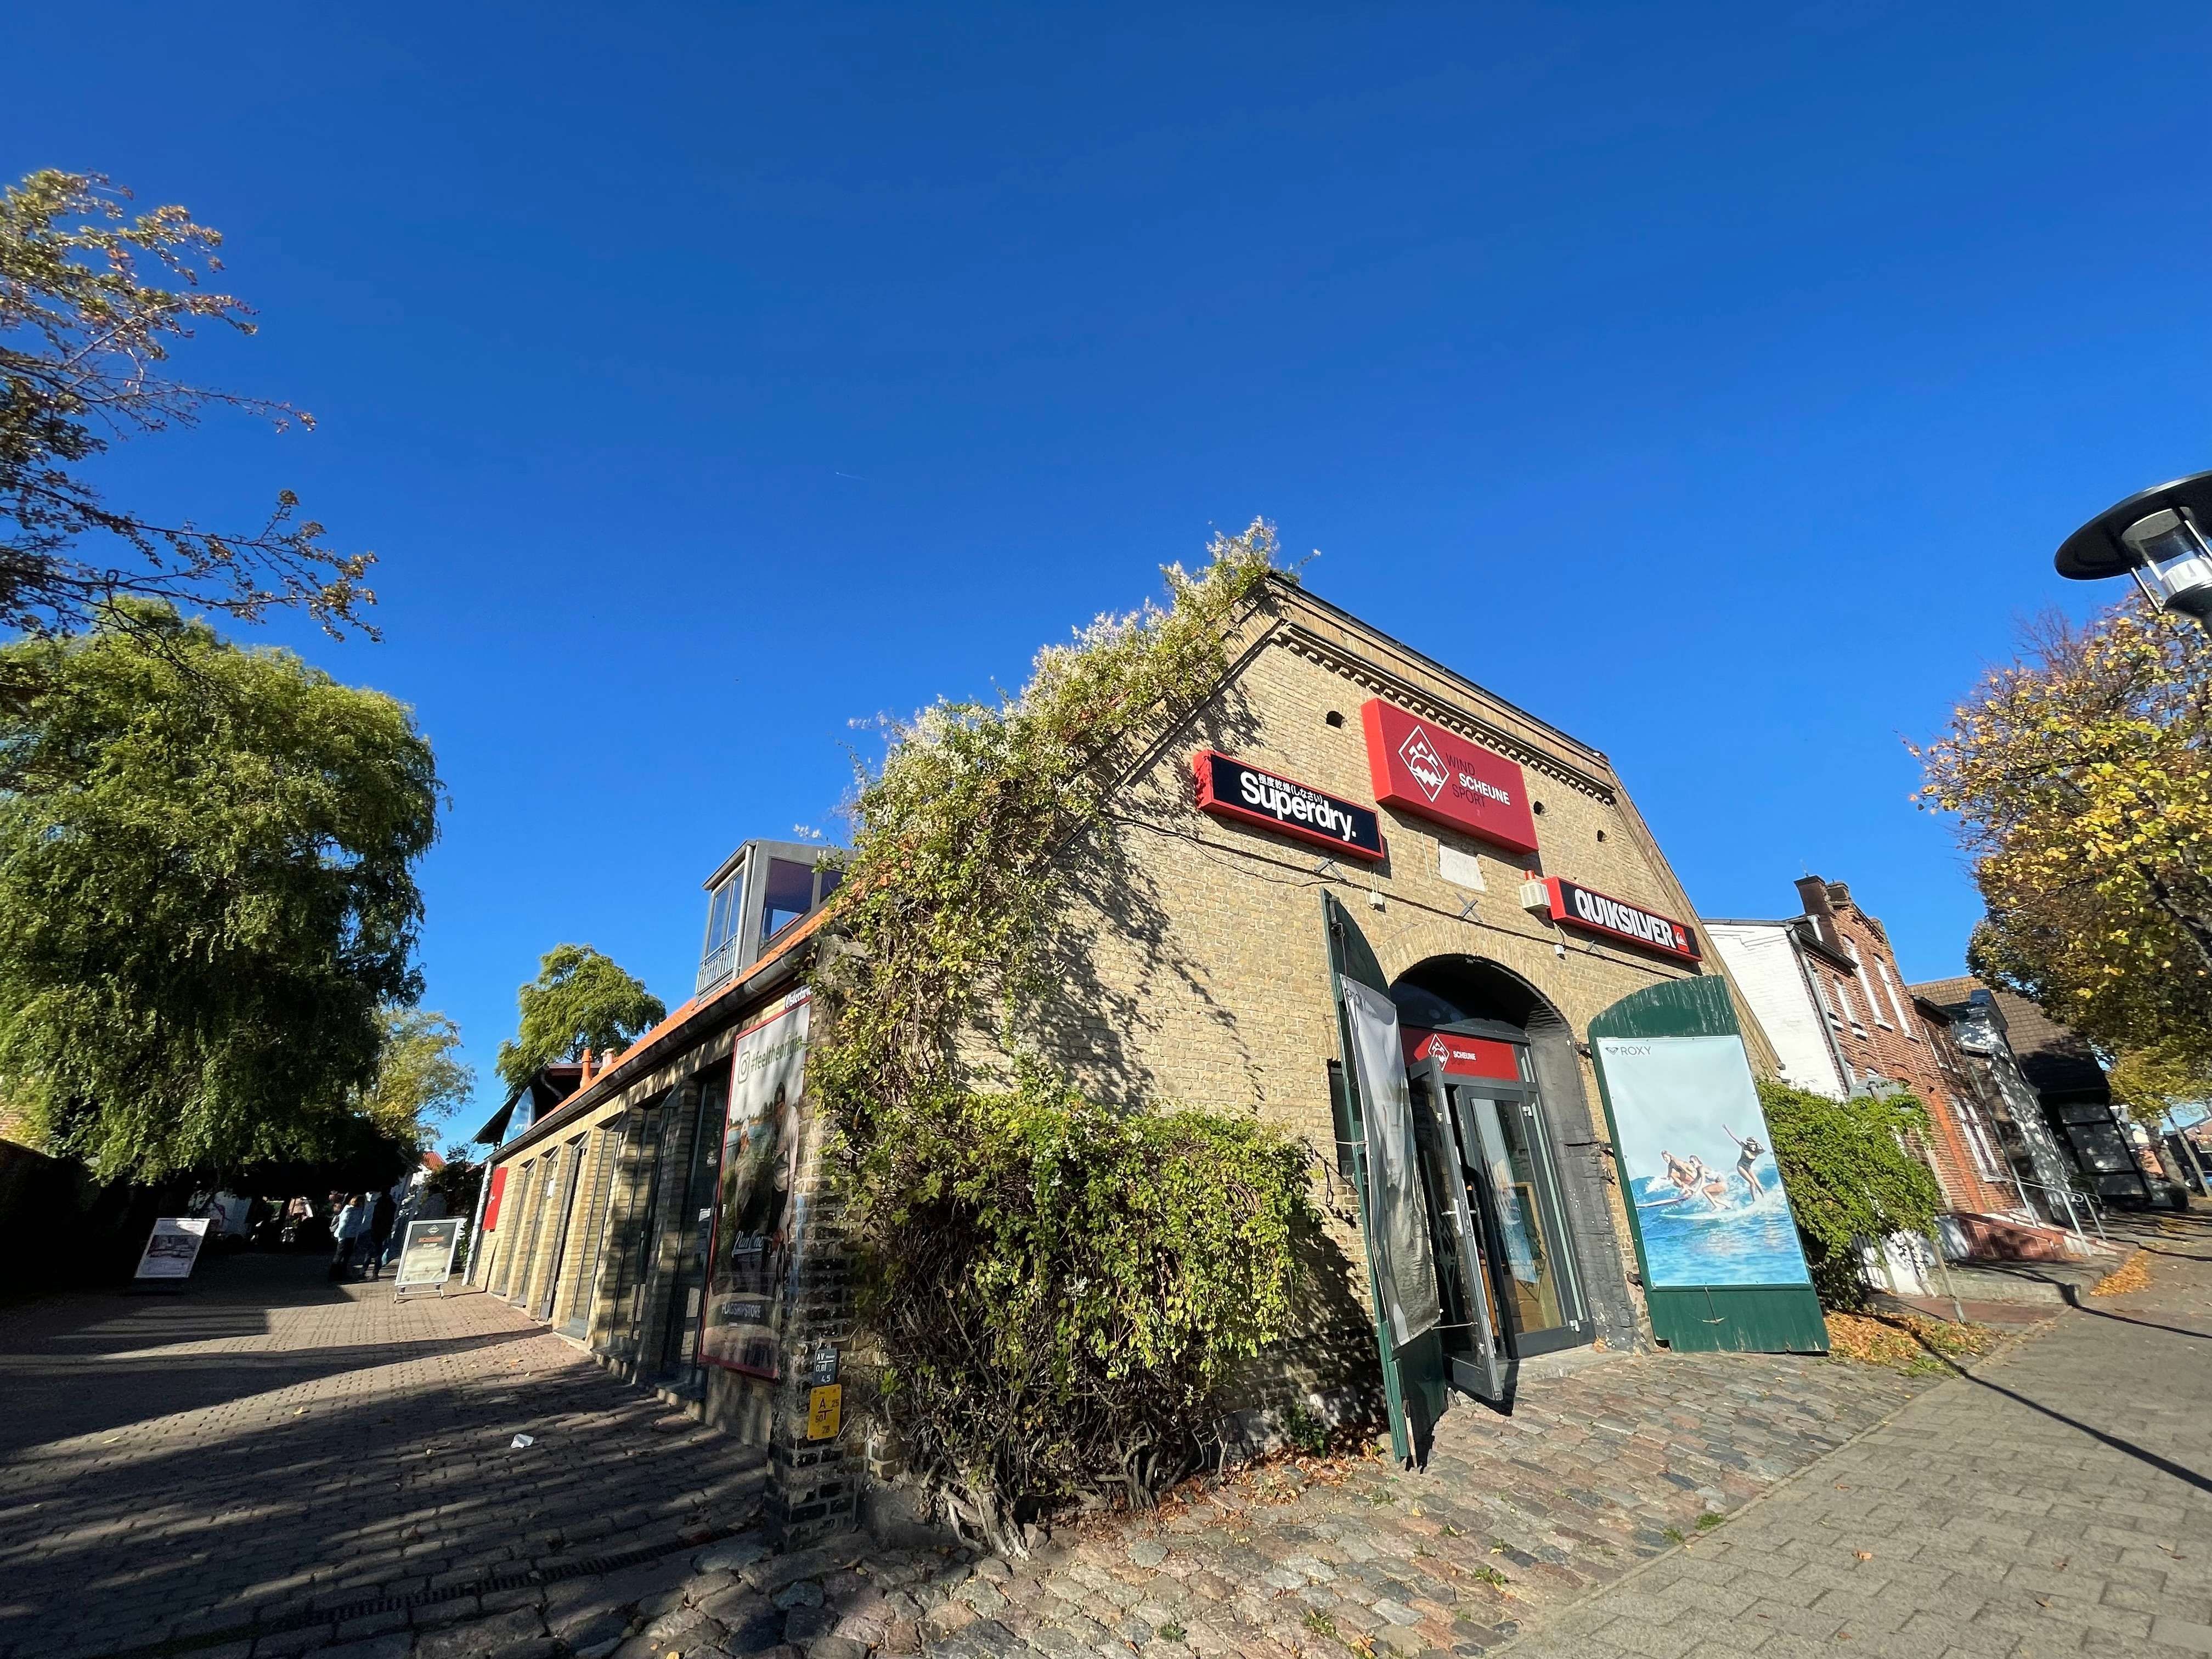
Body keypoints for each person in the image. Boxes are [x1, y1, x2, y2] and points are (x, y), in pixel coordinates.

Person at [1722, 1124, 1768, 1200]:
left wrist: (1757, 1142)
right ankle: (1755, 1200)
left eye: (1753, 1145)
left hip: (1748, 1167)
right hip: (1741, 1166)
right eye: (1750, 1145)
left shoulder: (1757, 1151)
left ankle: (1765, 1198)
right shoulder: (1744, 1147)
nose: (1751, 1146)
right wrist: (1727, 1129)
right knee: (1752, 1183)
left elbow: (1764, 1150)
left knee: (1758, 1184)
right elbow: (1734, 1138)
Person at [330, 1193, 368, 1279]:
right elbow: (343, 1224)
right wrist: (341, 1237)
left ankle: (343, 1273)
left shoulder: (359, 1211)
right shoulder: (348, 1210)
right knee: (339, 1255)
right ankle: (333, 1275)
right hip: (344, 1236)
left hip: (352, 1236)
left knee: (347, 1256)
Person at [365, 1188, 397, 1279]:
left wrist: (372, 1228)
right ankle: (375, 1272)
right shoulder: (392, 1205)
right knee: (379, 1252)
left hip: (377, 1229)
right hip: (386, 1230)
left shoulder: (379, 1204)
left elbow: (375, 1218)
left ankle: (364, 1270)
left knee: (371, 1252)